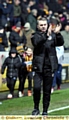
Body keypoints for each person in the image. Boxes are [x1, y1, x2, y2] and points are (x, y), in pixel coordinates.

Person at [31, 17, 64, 115]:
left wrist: (58, 34)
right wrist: (47, 35)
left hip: (49, 67)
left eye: (45, 25)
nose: (43, 27)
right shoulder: (35, 35)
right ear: (37, 26)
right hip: (38, 67)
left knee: (47, 90)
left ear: (47, 25)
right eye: (41, 25)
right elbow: (37, 43)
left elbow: (60, 43)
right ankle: (36, 108)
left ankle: (45, 110)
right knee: (36, 88)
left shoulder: (53, 36)